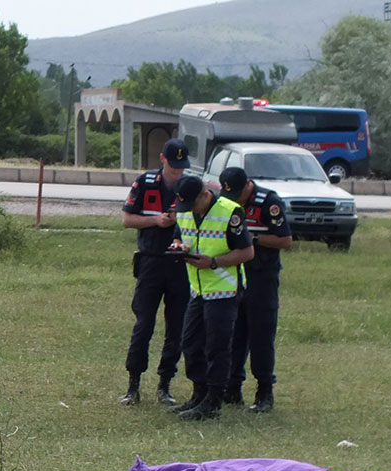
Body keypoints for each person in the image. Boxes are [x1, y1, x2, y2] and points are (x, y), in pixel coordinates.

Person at [168, 173, 255, 421]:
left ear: (206, 195)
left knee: (217, 346)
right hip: (198, 289)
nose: (189, 210)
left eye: (193, 204)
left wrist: (214, 263)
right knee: (190, 342)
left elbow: (247, 252)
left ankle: (214, 401)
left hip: (225, 290)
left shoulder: (230, 212)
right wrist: (178, 245)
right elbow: (179, 234)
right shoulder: (185, 210)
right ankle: (199, 393)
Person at [118, 138, 192, 406]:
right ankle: (133, 384)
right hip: (151, 262)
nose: (178, 172)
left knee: (177, 327)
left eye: (182, 167)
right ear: (162, 159)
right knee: (143, 325)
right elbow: (127, 219)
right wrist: (157, 221)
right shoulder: (145, 182)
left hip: (180, 265)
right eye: (174, 166)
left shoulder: (190, 186)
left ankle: (165, 384)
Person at [220, 167, 292, 413]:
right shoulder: (228, 203)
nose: (236, 198)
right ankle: (232, 388)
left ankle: (264, 392)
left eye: (239, 193)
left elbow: (285, 240)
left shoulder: (268, 203)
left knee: (261, 335)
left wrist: (253, 240)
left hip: (262, 277)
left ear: (249, 185)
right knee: (234, 334)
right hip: (236, 277)